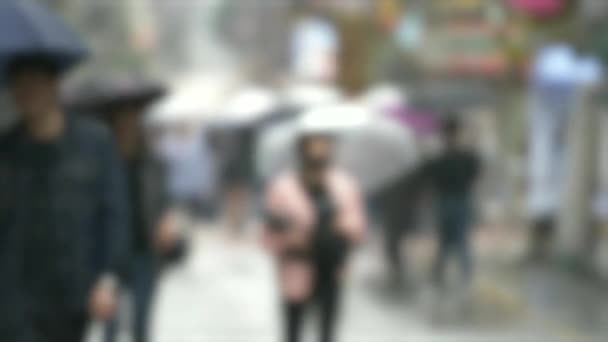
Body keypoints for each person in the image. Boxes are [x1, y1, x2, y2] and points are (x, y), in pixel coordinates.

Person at [0, 54, 129, 342]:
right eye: (19, 86)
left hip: (73, 292)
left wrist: (107, 279)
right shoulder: (7, 150)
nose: (27, 94)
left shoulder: (95, 143)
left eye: (34, 85)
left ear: (53, 85)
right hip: (14, 295)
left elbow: (113, 213)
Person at [262, 132, 367, 342]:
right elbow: (269, 228)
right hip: (297, 262)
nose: (319, 149)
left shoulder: (344, 184)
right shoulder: (283, 186)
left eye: (324, 143)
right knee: (294, 324)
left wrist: (341, 228)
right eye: (314, 143)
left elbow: (357, 224)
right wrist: (289, 238)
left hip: (331, 264)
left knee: (327, 325)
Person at [99, 95, 180, 342]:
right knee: (110, 327)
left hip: (144, 250)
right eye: (121, 120)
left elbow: (165, 201)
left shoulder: (153, 162)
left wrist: (168, 220)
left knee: (141, 325)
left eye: (132, 120)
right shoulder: (101, 162)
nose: (127, 126)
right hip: (109, 253)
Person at [422, 116, 481, 287]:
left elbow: (430, 177)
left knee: (446, 239)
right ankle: (464, 273)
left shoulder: (440, 157)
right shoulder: (466, 156)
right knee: (460, 239)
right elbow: (475, 173)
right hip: (461, 199)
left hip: (445, 200)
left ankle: (440, 271)